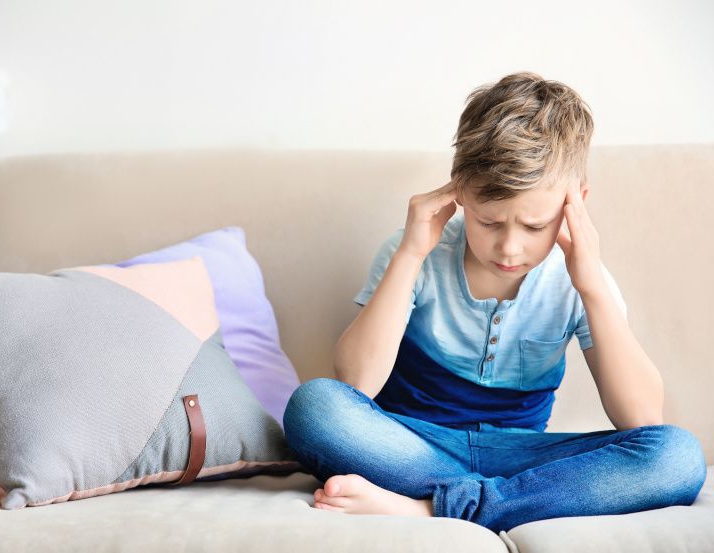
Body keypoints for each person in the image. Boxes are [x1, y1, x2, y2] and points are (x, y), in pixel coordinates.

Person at [281, 71, 707, 533]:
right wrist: (410, 253)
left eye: (533, 227)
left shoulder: (582, 280)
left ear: (574, 204)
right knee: (314, 406)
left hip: (522, 455)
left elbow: (641, 418)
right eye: (489, 222)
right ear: (459, 190)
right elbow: (356, 384)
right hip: (414, 443)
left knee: (677, 456)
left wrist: (592, 288)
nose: (509, 248)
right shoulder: (415, 254)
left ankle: (431, 507)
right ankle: (513, 503)